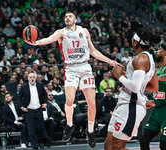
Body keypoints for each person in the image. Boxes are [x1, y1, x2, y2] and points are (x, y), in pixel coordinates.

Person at [25, 11, 120, 149]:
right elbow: (49, 39)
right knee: (69, 100)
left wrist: (109, 61)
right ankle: (69, 125)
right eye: (65, 17)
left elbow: (93, 51)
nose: (67, 18)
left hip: (85, 68)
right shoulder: (61, 32)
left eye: (70, 16)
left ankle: (91, 130)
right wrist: (35, 42)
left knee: (92, 104)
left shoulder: (84, 31)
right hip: (71, 69)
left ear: (75, 19)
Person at [104, 28, 161, 150]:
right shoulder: (149, 58)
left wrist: (119, 76)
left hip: (130, 106)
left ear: (135, 43)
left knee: (117, 147)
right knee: (108, 146)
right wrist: (127, 76)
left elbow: (135, 87)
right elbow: (154, 86)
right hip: (125, 104)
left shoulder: (141, 59)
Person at [140, 42, 166, 150]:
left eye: (159, 50)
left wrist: (152, 77)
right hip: (157, 111)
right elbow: (160, 93)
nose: (157, 52)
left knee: (164, 145)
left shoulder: (161, 72)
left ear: (165, 52)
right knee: (144, 140)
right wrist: (152, 102)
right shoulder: (158, 70)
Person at [18, 73, 47, 150]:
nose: (32, 78)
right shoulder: (24, 87)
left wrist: (45, 103)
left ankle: (40, 141)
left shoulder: (40, 85)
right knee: (31, 130)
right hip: (29, 111)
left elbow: (45, 95)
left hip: (38, 109)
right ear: (27, 78)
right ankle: (35, 146)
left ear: (36, 78)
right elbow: (19, 98)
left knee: (40, 128)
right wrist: (22, 107)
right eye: (30, 77)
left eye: (34, 77)